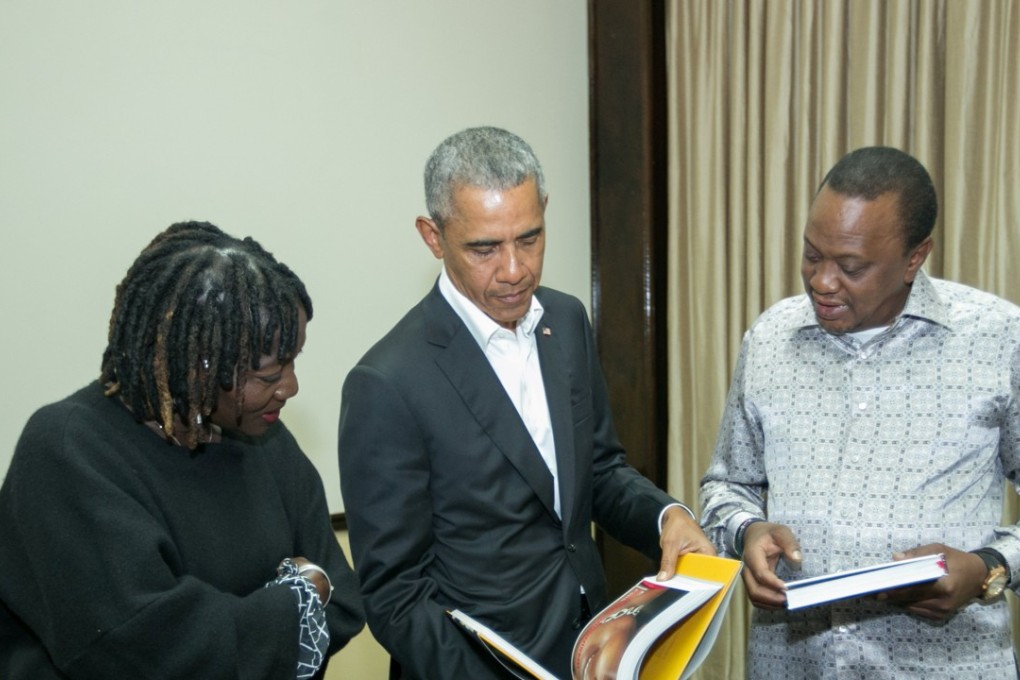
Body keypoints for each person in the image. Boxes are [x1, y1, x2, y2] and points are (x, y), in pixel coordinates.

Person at [337, 126, 714, 679]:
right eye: (484, 248)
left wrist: (668, 517)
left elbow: (599, 470)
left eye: (530, 238)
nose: (515, 270)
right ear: (433, 236)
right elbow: (397, 597)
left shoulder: (564, 321)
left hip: (591, 649)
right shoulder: (387, 381)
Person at [700, 146, 1020, 677]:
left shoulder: (999, 341)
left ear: (915, 257)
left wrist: (989, 569)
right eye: (811, 255)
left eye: (851, 267)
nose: (822, 282)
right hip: (792, 664)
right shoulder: (770, 339)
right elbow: (727, 485)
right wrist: (745, 532)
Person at [0, 221, 365, 679]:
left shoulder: (263, 438)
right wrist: (298, 595)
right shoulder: (67, 452)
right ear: (199, 364)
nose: (290, 388)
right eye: (269, 375)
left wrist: (257, 616)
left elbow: (345, 600)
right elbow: (152, 651)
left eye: (294, 361)